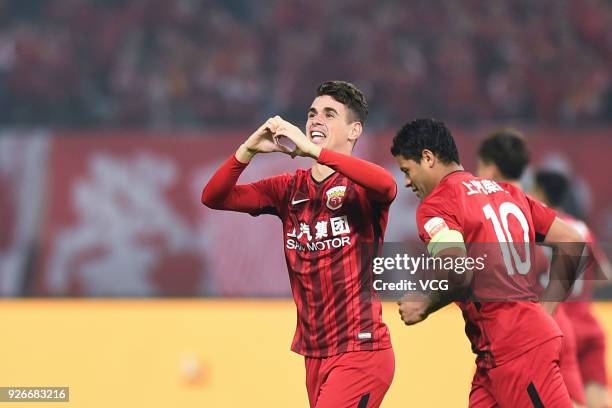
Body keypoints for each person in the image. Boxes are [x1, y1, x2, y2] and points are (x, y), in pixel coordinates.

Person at [202, 81, 396, 407]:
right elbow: (214, 197)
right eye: (312, 113)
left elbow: (387, 184)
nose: (316, 120)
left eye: (329, 114)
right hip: (315, 354)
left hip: (360, 350)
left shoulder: (363, 187)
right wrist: (248, 149)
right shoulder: (289, 189)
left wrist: (314, 151)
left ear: (354, 130)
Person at [390, 118, 584, 407]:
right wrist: (547, 309)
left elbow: (458, 271)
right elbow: (571, 240)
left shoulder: (437, 205)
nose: (406, 181)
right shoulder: (508, 192)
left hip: (517, 350)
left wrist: (427, 302)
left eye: (407, 170)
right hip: (494, 355)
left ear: (428, 158)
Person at [477, 129, 586, 407]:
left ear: (489, 166)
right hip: (542, 322)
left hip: (525, 329)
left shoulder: (494, 211)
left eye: (479, 166)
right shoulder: (532, 206)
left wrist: (546, 309)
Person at [532, 170, 612, 408]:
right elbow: (604, 274)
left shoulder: (537, 229)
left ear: (540, 193)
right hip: (589, 325)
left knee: (563, 400)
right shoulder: (580, 228)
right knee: (597, 398)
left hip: (557, 323)